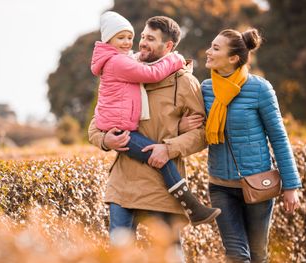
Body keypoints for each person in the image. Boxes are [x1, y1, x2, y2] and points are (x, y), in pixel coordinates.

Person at [180, 28, 302, 262]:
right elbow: (198, 130)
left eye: (216, 48)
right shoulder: (205, 88)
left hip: (258, 184)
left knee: (258, 255)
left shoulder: (260, 89)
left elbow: (278, 137)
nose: (208, 51)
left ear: (233, 58)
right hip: (220, 185)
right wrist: (183, 125)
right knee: (236, 254)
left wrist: (291, 186)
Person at [91, 11, 220, 227]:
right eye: (142, 36)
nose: (141, 43)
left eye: (150, 39)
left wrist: (169, 147)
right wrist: (105, 141)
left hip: (162, 191)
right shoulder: (126, 71)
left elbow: (202, 133)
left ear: (168, 47)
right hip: (123, 187)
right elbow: (98, 124)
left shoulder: (185, 82)